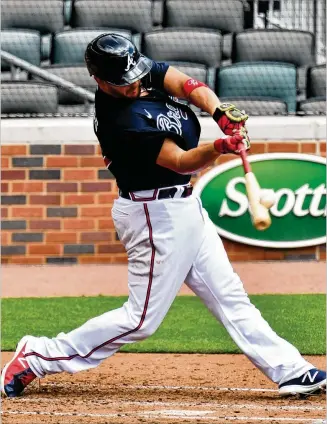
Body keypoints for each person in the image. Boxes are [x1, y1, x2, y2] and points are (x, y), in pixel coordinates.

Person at [2, 33, 325, 399]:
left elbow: (187, 85)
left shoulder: (136, 72)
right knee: (140, 320)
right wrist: (222, 146)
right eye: (124, 83)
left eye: (136, 75)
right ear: (99, 80)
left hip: (185, 208)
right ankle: (38, 355)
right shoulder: (120, 121)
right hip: (154, 215)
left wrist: (220, 113)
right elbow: (181, 161)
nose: (135, 84)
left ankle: (293, 370)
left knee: (230, 297)